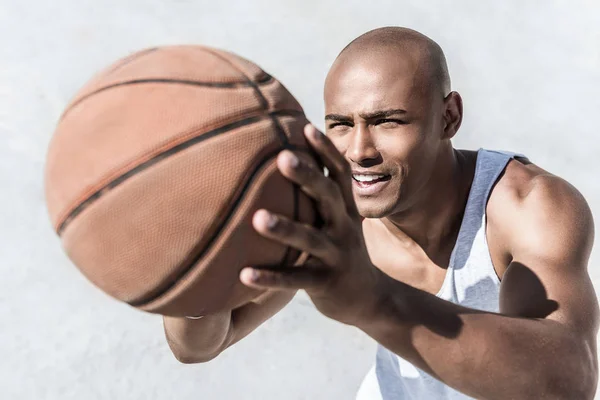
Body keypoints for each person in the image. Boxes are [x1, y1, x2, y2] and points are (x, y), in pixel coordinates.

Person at [163, 27, 599, 399]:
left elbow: (572, 379)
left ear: (448, 117)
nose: (358, 151)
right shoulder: (326, 208)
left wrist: (373, 300)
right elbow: (199, 346)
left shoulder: (526, 206)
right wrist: (201, 278)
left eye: (388, 121)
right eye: (340, 124)